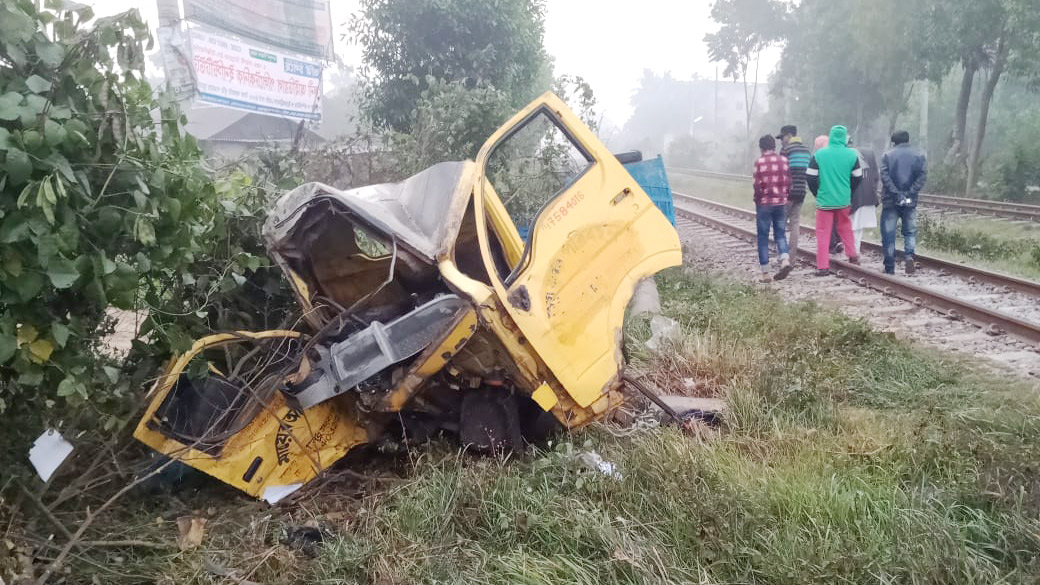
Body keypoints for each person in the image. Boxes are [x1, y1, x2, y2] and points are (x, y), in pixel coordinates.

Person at [806, 125, 862, 276]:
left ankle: (822, 266)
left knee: (823, 233)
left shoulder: (819, 155)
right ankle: (852, 255)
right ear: (844, 138)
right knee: (845, 226)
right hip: (843, 199)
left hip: (824, 200)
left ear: (831, 137)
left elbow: (810, 177)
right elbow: (858, 177)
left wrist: (817, 193)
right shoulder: (852, 155)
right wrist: (848, 190)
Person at [879, 130, 928, 275]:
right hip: (910, 201)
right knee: (910, 232)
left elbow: (885, 177)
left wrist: (896, 193)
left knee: (888, 234)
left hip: (890, 201)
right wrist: (910, 192)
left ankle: (889, 266)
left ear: (894, 141)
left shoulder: (887, 155)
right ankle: (909, 256)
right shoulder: (919, 156)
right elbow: (922, 176)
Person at [752, 134, 793, 282]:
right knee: (780, 234)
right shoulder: (784, 160)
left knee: (763, 238)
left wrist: (757, 200)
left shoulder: (759, 162)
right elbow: (789, 183)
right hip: (781, 203)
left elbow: (757, 186)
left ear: (761, 148)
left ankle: (766, 274)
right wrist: (784, 196)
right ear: (774, 147)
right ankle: (785, 260)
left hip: (764, 203)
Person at [777, 125, 810, 257]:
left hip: (787, 193)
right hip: (801, 192)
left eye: (782, 137)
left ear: (789, 135)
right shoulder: (807, 150)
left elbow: (780, 172)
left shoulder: (786, 150)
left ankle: (782, 255)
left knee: (781, 224)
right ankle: (792, 257)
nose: (781, 141)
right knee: (795, 224)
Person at [849, 139, 879, 255]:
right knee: (858, 225)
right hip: (868, 193)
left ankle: (853, 250)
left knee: (852, 223)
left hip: (852, 194)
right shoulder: (869, 152)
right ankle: (855, 249)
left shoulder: (848, 153)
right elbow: (876, 176)